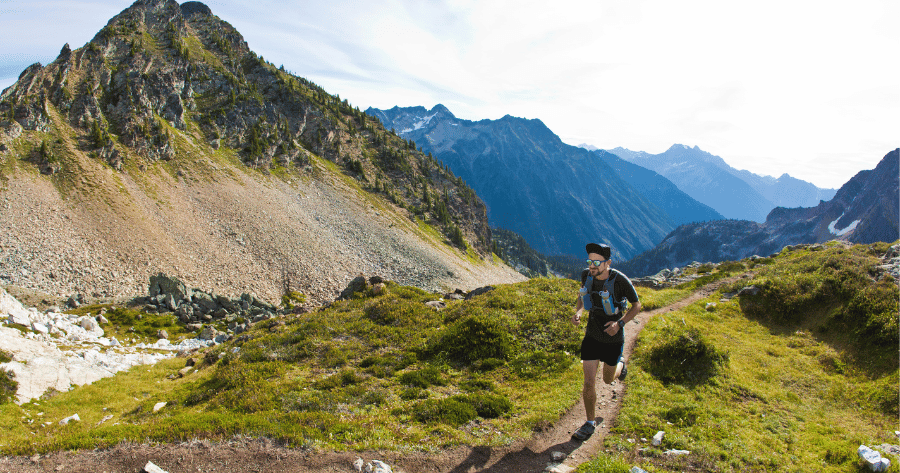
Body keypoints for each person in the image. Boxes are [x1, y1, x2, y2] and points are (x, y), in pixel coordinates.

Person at [570, 242, 642, 441]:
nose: (591, 266)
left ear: (607, 263)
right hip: (592, 336)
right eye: (589, 261)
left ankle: (620, 364)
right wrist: (578, 312)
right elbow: (581, 296)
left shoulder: (620, 281)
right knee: (588, 382)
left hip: (613, 338)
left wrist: (619, 324)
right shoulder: (586, 275)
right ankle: (589, 423)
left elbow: (637, 306)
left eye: (596, 262)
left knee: (608, 379)